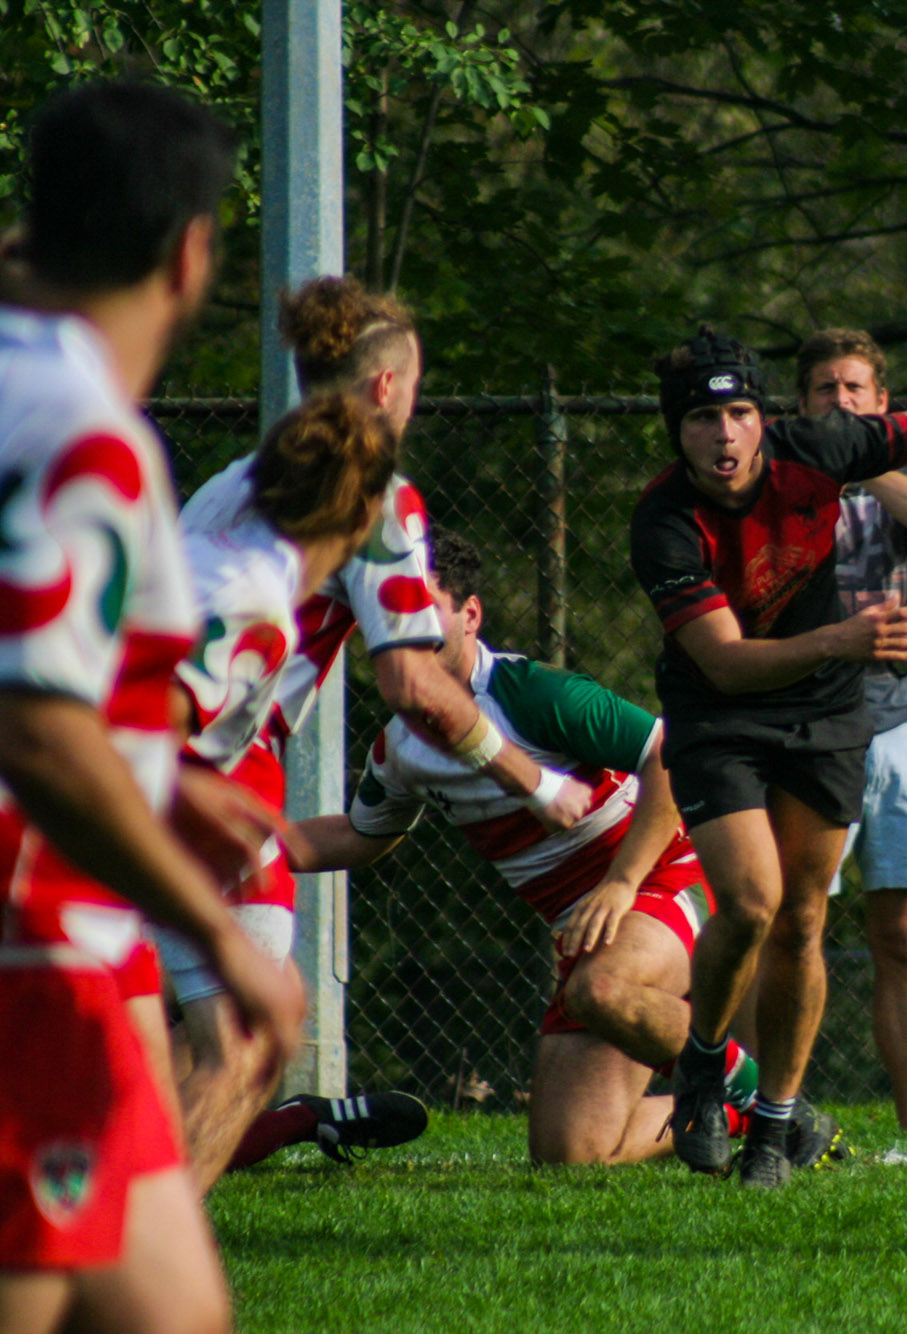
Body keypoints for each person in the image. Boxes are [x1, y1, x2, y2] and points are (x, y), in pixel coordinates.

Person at [0, 81, 303, 1334]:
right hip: (31, 948)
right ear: (190, 252)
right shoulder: (84, 436)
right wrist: (221, 937)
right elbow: (34, 726)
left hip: (81, 957)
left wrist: (163, 780)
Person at [632, 322, 907, 1186]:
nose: (725, 435)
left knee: (802, 919)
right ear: (678, 433)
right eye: (703, 421)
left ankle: (774, 1122)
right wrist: (845, 638)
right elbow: (724, 661)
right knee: (749, 902)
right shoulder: (664, 520)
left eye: (740, 415)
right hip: (721, 714)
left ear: (764, 418)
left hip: (824, 713)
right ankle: (704, 1062)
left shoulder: (818, 447)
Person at [282, 531, 853, 1171]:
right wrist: (238, 856)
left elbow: (669, 755)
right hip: (590, 929)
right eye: (391, 611)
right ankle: (735, 1111)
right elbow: (361, 834)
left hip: (664, 877)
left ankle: (781, 1111)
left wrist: (621, 881)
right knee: (570, 1154)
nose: (405, 629)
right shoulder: (399, 748)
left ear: (470, 615)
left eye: (423, 608)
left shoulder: (531, 693)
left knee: (601, 988)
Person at [206, 277, 594, 1173]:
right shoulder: (378, 498)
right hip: (215, 763)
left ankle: (243, 1145)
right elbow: (414, 682)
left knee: (157, 1022)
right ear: (387, 388)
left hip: (101, 742)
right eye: (415, 385)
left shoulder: (234, 481)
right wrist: (538, 781)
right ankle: (128, 1232)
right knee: (248, 1033)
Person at [157, 393, 422, 1192]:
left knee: (153, 1043)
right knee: (242, 1040)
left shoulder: (220, 527)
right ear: (361, 521)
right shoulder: (255, 606)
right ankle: (134, 1233)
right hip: (93, 802)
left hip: (108, 795)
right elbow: (130, 731)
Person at [798, 328, 907, 1134]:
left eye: (854, 390)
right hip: (806, 727)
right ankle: (771, 1108)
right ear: (799, 405)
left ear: (881, 403)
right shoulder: (776, 479)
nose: (839, 402)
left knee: (903, 937)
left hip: (903, 729)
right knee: (793, 926)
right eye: (824, 390)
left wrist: (862, 460)